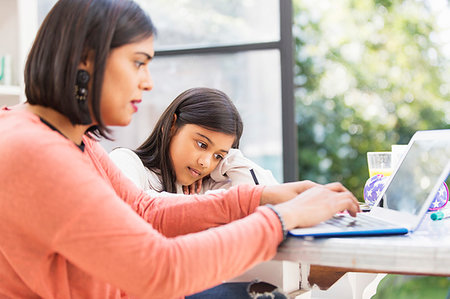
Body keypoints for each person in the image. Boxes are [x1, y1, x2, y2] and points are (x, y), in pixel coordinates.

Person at [0, 1, 361, 298]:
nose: (148, 81)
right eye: (138, 62)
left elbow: (144, 210)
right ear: (85, 60)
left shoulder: (72, 139)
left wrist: (264, 196)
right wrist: (284, 218)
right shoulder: (36, 152)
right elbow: (160, 269)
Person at [109, 87, 278, 196]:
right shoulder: (126, 162)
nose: (205, 163)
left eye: (217, 156)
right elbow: (138, 207)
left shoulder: (205, 188)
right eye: (202, 144)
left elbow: (267, 200)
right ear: (172, 127)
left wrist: (232, 159)